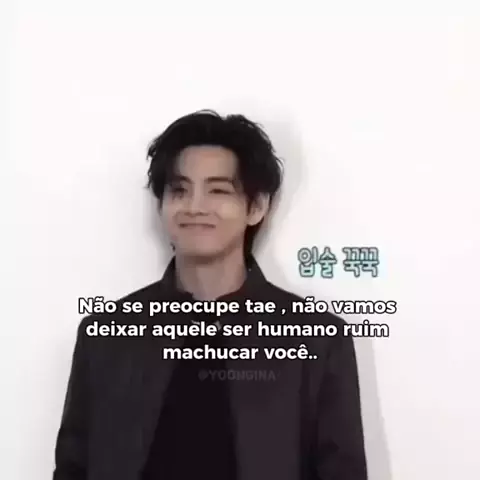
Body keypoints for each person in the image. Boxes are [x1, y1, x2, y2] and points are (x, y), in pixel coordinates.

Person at [53, 110, 368, 480]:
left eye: (218, 190)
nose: (195, 206)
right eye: (179, 190)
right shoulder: (107, 335)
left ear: (257, 206)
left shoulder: (317, 340)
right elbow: (72, 469)